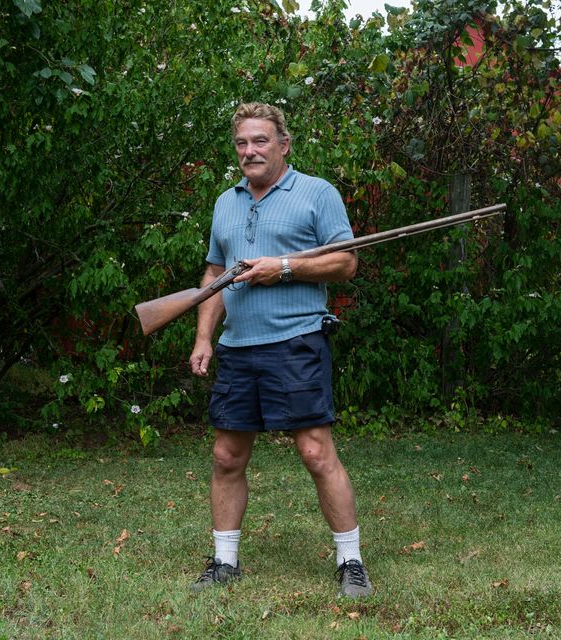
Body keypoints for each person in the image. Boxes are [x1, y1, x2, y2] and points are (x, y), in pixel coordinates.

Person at [187, 102, 372, 598]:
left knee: (315, 451)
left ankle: (351, 562)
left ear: (284, 145)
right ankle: (224, 562)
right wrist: (204, 337)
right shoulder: (225, 202)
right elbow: (215, 274)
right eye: (242, 143)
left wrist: (283, 268)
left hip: (296, 340)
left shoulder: (317, 193)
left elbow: (346, 262)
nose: (250, 151)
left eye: (260, 141)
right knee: (227, 455)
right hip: (237, 347)